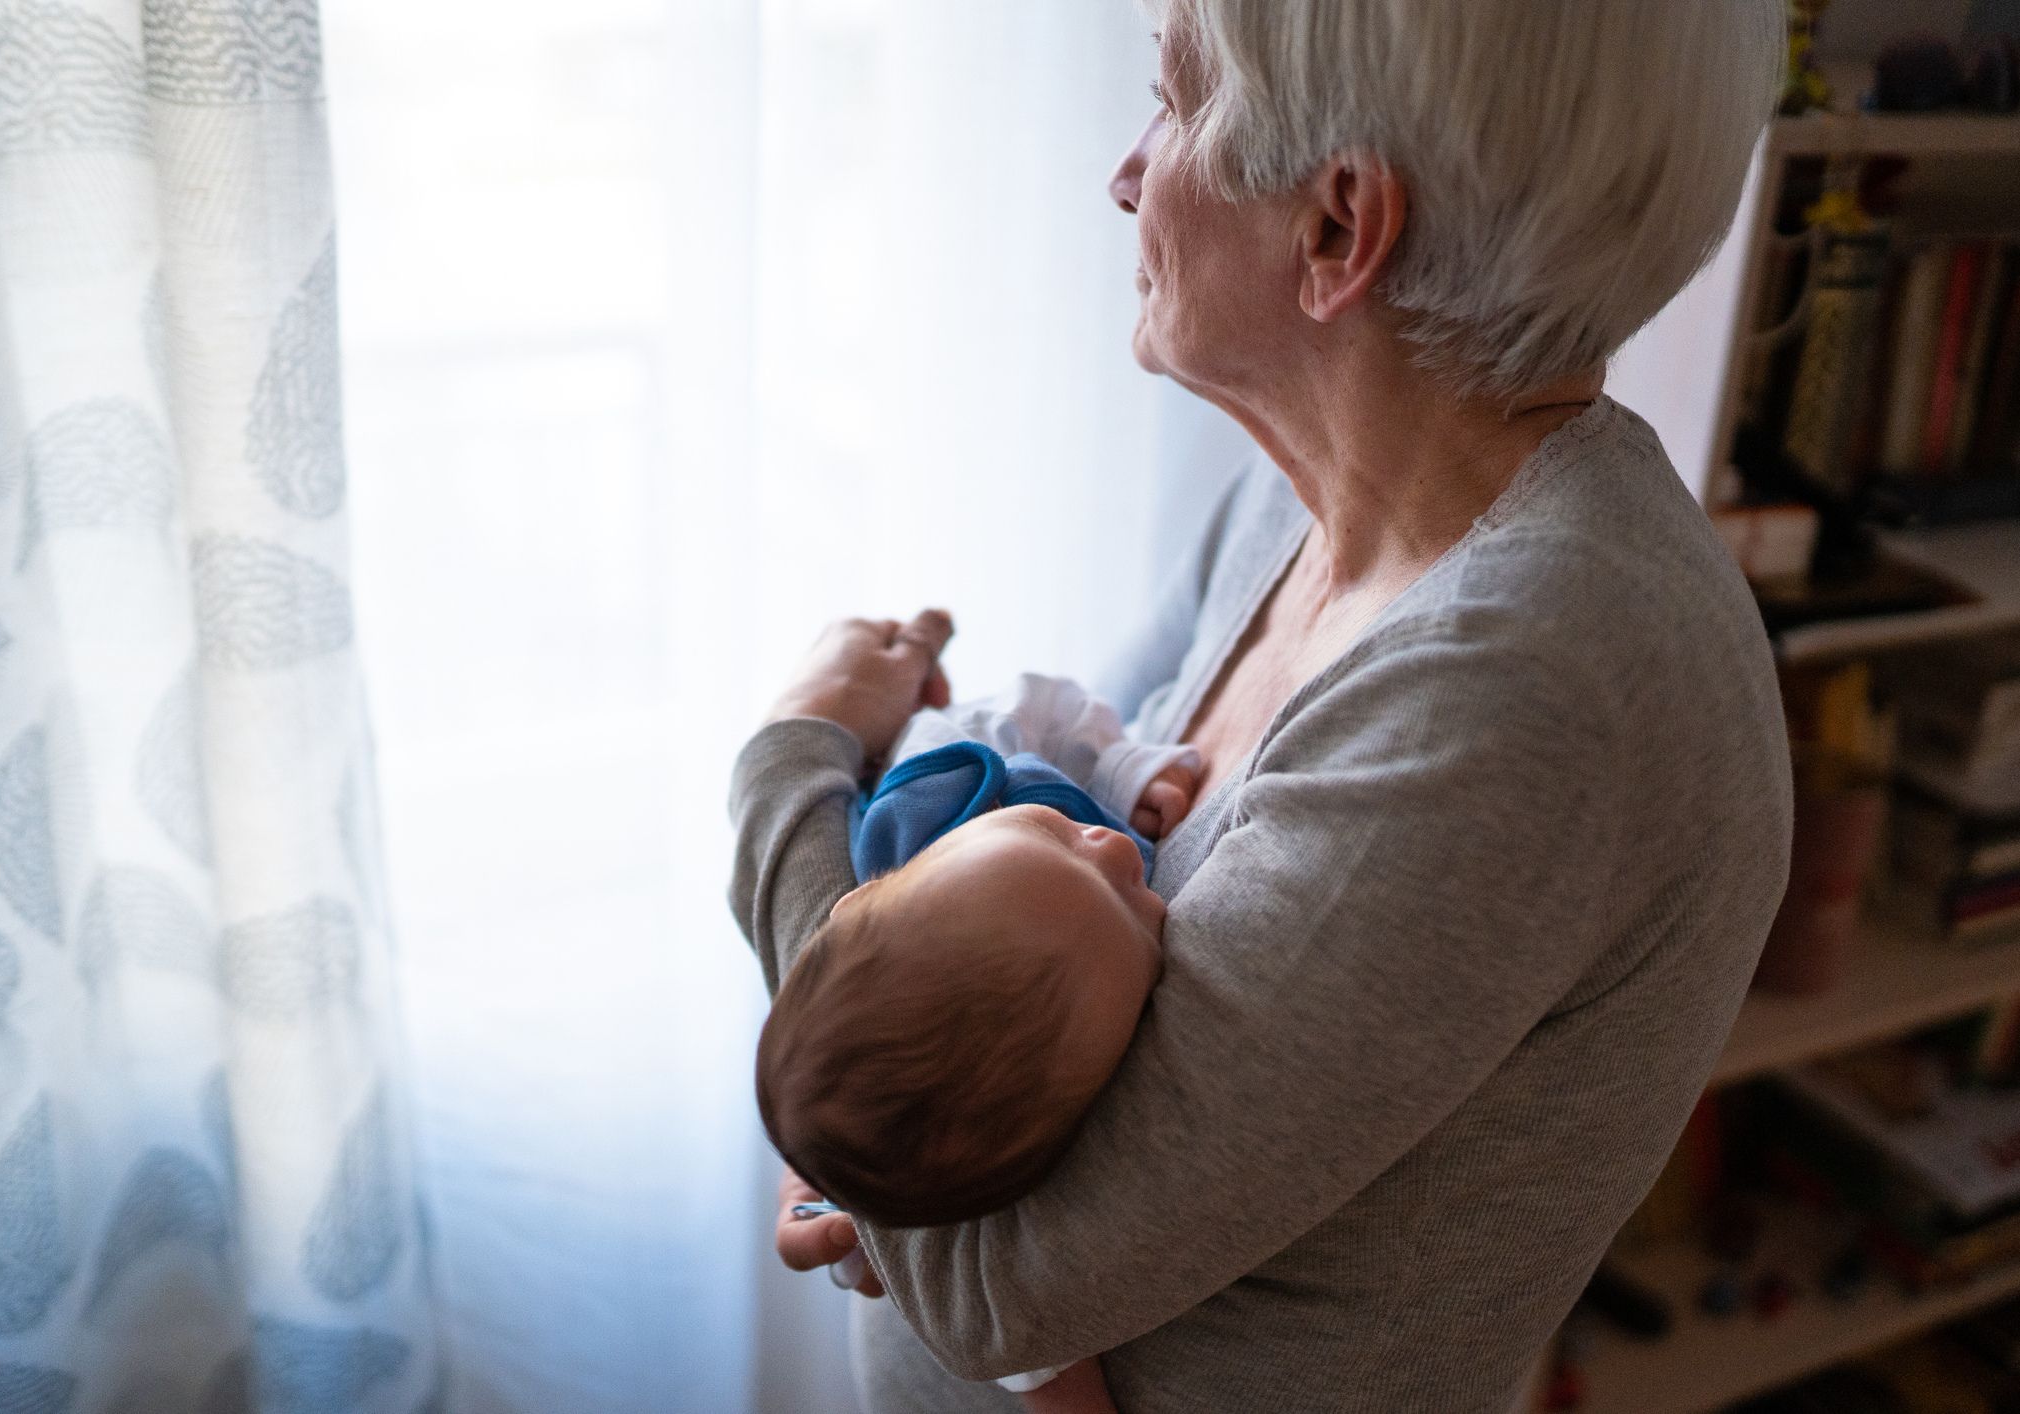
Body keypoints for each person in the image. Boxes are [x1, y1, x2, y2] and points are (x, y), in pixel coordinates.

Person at [729, 1, 1793, 1408]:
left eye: (1172, 103)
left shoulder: (1529, 683)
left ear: (1339, 228)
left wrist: (790, 772)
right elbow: (974, 983)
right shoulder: (1294, 504)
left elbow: (997, 1286)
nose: (1123, 171)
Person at [759, 665, 1199, 1413]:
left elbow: (1038, 707)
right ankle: (836, 1206)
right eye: (1135, 912)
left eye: (1057, 833)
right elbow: (1024, 1336)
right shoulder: (1035, 1053)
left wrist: (1126, 765)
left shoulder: (937, 794)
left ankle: (835, 1209)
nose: (1119, 853)